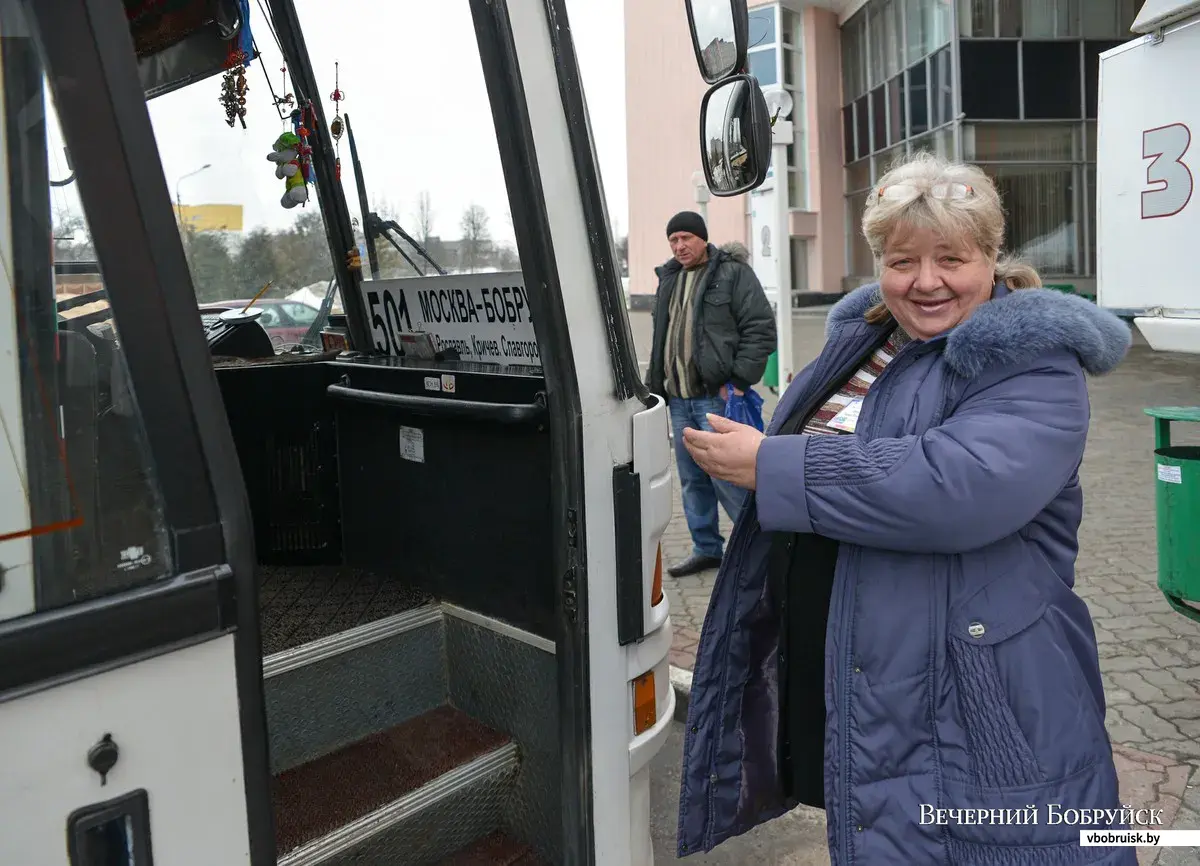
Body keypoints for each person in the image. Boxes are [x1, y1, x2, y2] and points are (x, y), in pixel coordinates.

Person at [674, 152, 1136, 865]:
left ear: (990, 257)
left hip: (982, 697)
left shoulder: (1035, 361)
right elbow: (808, 490)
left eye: (950, 258)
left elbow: (956, 485)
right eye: (901, 261)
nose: (924, 283)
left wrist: (772, 463)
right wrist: (747, 464)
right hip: (875, 678)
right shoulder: (862, 342)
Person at [645, 210, 776, 578]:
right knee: (692, 480)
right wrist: (654, 387)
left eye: (686, 237)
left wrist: (737, 380)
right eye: (673, 240)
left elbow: (760, 328)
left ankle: (758, 549)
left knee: (730, 478)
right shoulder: (668, 279)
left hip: (716, 398)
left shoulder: (732, 273)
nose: (679, 245)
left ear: (703, 238)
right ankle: (707, 549)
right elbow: (661, 341)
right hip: (679, 400)